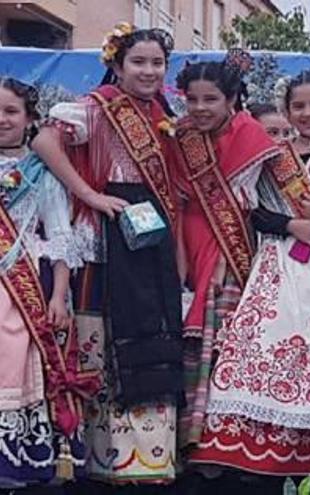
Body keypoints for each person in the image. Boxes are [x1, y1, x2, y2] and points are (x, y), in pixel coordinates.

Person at [190, 69, 310, 494]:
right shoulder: (269, 153)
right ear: (286, 110)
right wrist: (293, 224)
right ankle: (264, 457)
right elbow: (254, 212)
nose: (308, 113)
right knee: (265, 345)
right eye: (299, 106)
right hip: (280, 263)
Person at [31, 23, 181, 485]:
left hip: (151, 237)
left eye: (157, 62)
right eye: (138, 61)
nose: (149, 70)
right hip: (106, 237)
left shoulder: (163, 111)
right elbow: (43, 142)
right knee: (102, 331)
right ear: (116, 65)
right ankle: (101, 462)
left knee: (154, 330)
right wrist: (89, 195)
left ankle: (152, 460)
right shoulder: (96, 109)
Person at [172, 53, 281, 461]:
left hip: (231, 248)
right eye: (192, 99)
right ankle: (187, 442)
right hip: (187, 236)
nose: (200, 108)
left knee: (224, 337)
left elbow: (258, 200)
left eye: (210, 99)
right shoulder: (179, 136)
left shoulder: (251, 134)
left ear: (231, 99)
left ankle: (222, 444)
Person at [0, 77, 92, 489]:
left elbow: (59, 237)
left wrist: (58, 295)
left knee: (20, 367)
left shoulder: (42, 174)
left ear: (30, 119)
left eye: (10, 111)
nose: (1, 120)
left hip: (26, 287)